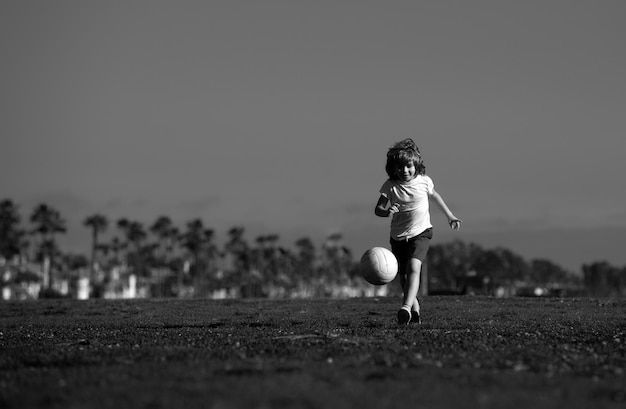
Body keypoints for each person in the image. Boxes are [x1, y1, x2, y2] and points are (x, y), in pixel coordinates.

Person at [374, 138, 461, 325]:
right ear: (393, 168)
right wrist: (387, 211)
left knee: (414, 268)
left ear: (416, 165)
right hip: (398, 237)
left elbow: (435, 197)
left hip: (421, 233)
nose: (405, 171)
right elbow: (378, 209)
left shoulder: (424, 182)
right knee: (404, 278)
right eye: (400, 167)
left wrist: (450, 215)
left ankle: (404, 307)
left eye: (408, 166)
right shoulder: (390, 186)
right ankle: (414, 309)